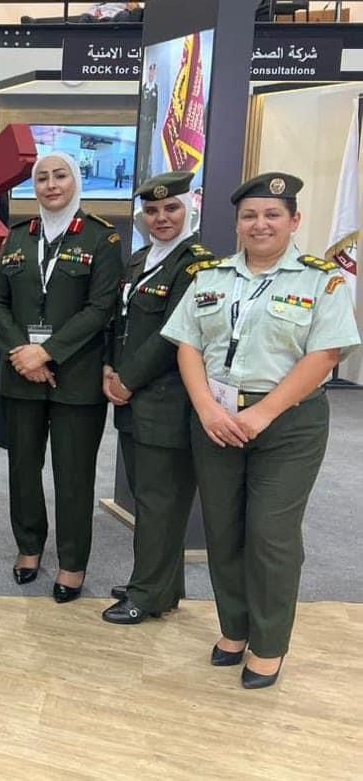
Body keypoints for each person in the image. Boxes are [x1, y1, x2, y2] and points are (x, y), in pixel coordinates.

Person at [161, 172, 360, 688]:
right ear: (237, 223)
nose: (260, 224)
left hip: (289, 425)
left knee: (271, 533)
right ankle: (235, 628)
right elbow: (188, 345)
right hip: (218, 420)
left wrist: (263, 413)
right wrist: (206, 409)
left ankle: (269, 643)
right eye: (249, 215)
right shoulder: (210, 276)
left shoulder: (321, 280)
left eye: (272, 214)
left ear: (294, 221)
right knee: (223, 529)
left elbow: (326, 355)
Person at [0, 151, 123, 602]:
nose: (51, 185)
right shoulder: (17, 238)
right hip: (20, 375)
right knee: (23, 468)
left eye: (60, 176)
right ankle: (29, 548)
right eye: (42, 178)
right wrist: (22, 354)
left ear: (76, 180)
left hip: (76, 378)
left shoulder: (102, 238)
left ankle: (72, 563)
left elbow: (100, 308)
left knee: (73, 475)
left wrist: (46, 352)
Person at [101, 172, 214, 625]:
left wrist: (126, 380)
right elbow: (120, 323)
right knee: (151, 498)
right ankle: (159, 586)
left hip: (167, 402)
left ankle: (146, 594)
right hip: (133, 401)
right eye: (151, 210)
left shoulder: (197, 265)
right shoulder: (140, 260)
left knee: (160, 503)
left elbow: (173, 335)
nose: (161, 217)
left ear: (189, 210)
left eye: (171, 208)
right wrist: (109, 368)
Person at [137, 64, 159, 181]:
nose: (151, 75)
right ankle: (138, 177)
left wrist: (155, 123)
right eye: (150, 72)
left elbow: (156, 108)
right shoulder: (143, 88)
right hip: (142, 123)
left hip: (150, 124)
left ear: (155, 74)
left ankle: (143, 176)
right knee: (140, 151)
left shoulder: (156, 89)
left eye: (153, 73)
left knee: (146, 152)